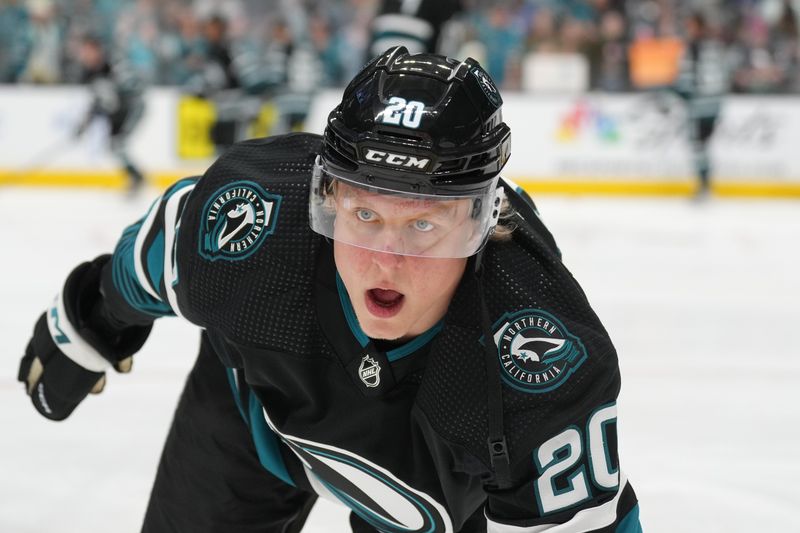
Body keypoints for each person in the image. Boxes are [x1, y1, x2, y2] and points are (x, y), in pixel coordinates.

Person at [18, 46, 642, 533]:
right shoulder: (256, 224)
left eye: (425, 224)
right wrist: (91, 318)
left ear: (482, 224)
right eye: (365, 215)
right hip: (251, 412)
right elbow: (156, 254)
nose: (387, 261)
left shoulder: (539, 362)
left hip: (437, 502)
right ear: (326, 199)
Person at [73, 34, 146, 193]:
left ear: (97, 50)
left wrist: (112, 97)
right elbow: (96, 101)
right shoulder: (89, 73)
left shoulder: (114, 63)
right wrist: (83, 125)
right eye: (83, 52)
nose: (85, 55)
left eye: (88, 51)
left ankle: (137, 178)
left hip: (131, 107)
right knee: (114, 146)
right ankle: (136, 177)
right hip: (117, 112)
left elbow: (132, 87)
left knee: (118, 144)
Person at [674, 11, 729, 199]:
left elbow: (687, 80)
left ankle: (704, 185)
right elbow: (725, 73)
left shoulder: (693, 47)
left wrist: (677, 90)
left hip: (700, 104)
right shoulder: (715, 46)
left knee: (699, 145)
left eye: (689, 25)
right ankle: (705, 184)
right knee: (703, 145)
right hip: (715, 103)